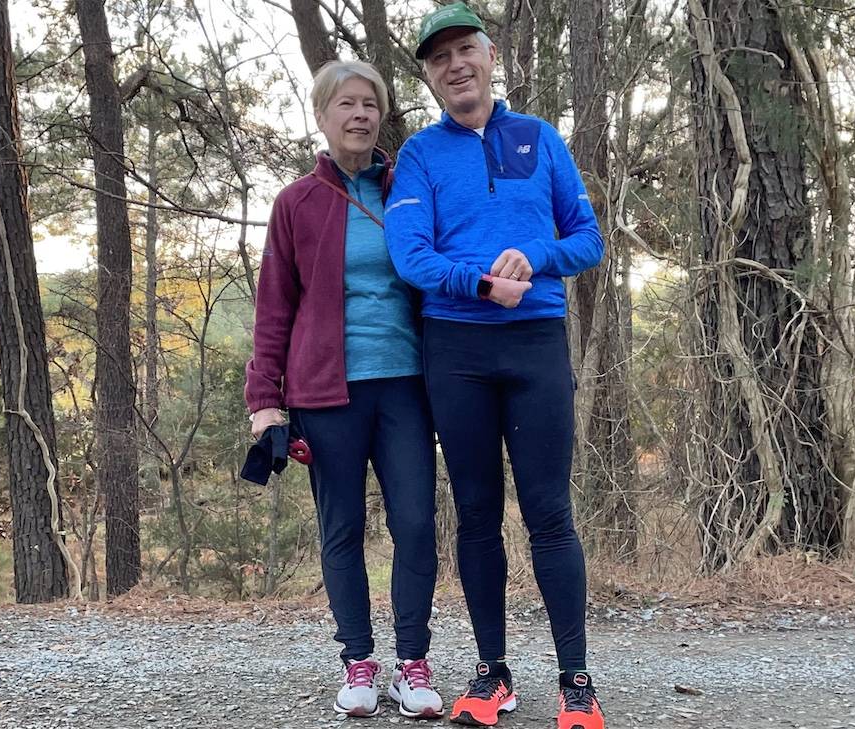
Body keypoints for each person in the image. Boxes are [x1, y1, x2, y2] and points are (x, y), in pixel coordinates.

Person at [384, 5, 606, 728]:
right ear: (429, 74)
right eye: (438, 58)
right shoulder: (419, 155)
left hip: (536, 342)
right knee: (476, 514)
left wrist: (536, 256)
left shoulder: (539, 139)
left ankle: (576, 680)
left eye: (465, 50)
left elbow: (587, 240)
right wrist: (480, 282)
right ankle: (492, 673)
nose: (454, 66)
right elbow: (410, 255)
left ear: (490, 55)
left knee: (549, 513)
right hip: (456, 349)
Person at [244, 60, 443, 720]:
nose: (360, 114)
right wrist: (264, 399)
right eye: (346, 104)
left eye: (370, 104)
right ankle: (358, 660)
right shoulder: (296, 202)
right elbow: (275, 307)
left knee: (415, 523)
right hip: (325, 391)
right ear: (323, 116)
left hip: (407, 386)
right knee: (342, 528)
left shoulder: (409, 190)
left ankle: (412, 661)